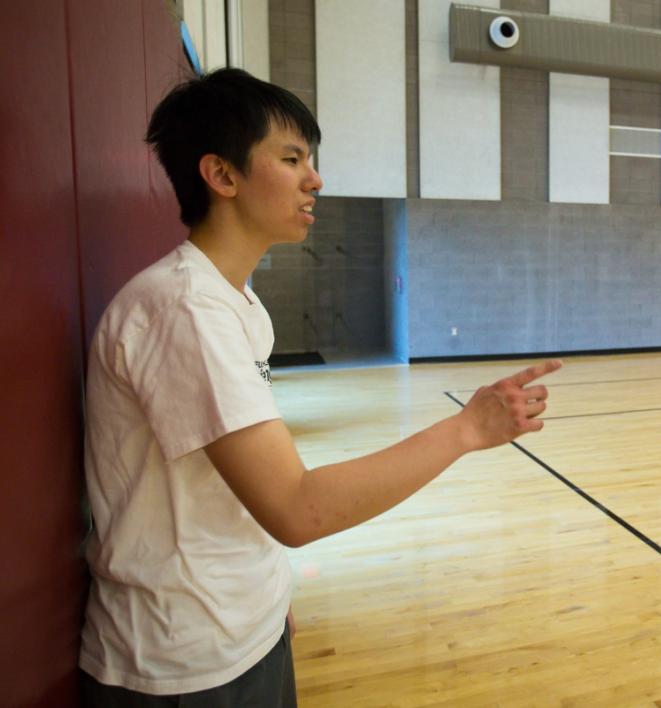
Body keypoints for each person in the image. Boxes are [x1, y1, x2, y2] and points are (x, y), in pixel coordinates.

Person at [79, 67, 561, 706]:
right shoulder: (185, 311)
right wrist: (467, 429)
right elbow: (297, 508)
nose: (316, 179)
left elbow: (230, 489)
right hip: (183, 665)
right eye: (291, 158)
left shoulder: (237, 304)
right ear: (222, 175)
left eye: (312, 158)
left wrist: (268, 600)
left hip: (240, 634)